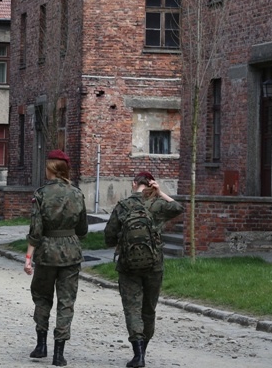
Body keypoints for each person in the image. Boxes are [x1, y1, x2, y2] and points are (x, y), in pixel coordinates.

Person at [104, 171, 184, 368]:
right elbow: (178, 207)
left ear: (134, 184)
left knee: (132, 308)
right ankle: (144, 351)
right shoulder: (156, 205)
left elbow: (109, 236)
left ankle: (137, 354)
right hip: (154, 264)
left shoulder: (123, 206)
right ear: (151, 185)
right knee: (148, 309)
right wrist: (160, 193)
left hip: (128, 265)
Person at [24, 149, 88, 367]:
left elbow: (36, 229)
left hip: (46, 252)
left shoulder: (41, 194)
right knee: (66, 301)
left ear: (51, 169)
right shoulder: (77, 193)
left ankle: (41, 345)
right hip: (71, 252)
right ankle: (59, 353)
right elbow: (83, 229)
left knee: (42, 297)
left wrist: (28, 256)